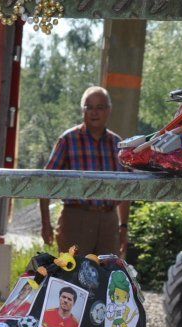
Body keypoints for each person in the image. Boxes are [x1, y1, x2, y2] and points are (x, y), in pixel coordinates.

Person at [40, 86, 130, 260]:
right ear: (83, 111)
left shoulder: (117, 144)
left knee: (109, 273)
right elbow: (45, 181)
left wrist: (123, 226)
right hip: (76, 219)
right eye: (89, 107)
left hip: (109, 222)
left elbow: (126, 189)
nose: (94, 113)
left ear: (109, 111)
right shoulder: (68, 140)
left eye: (100, 107)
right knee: (73, 273)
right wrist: (45, 223)